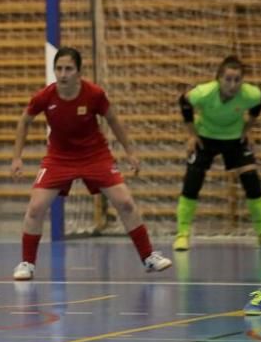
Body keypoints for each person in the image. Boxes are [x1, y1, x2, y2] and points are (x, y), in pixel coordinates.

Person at [9, 46, 172, 280]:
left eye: (68, 69)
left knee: (125, 202)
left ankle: (148, 257)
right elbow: (24, 122)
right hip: (59, 158)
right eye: (59, 69)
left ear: (78, 72)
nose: (63, 74)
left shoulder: (94, 94)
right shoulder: (45, 96)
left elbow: (113, 120)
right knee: (35, 208)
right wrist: (17, 157)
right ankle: (27, 263)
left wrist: (130, 152)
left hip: (95, 156)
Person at [174, 55, 261, 251]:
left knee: (252, 181)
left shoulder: (250, 94)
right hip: (205, 137)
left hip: (235, 139)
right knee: (192, 181)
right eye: (228, 79)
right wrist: (192, 135)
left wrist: (247, 131)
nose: (233, 84)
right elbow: (184, 102)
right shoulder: (204, 93)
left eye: (237, 80)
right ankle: (182, 234)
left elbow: (260, 101)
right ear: (219, 78)